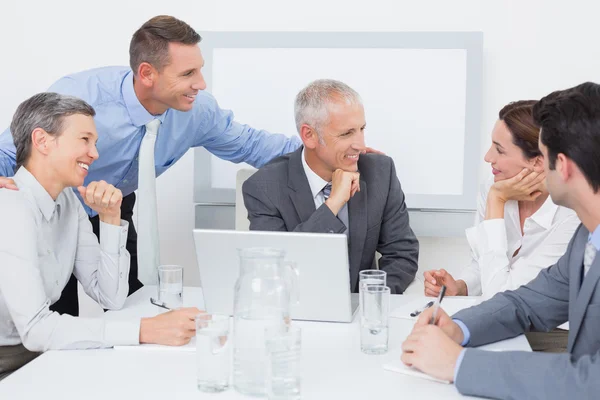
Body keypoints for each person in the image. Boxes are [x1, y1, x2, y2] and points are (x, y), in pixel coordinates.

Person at [0, 15, 306, 317]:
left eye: (200, 70)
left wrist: (325, 150)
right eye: (188, 73)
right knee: (57, 316)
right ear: (147, 73)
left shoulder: (197, 111)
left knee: (133, 304)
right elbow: (10, 149)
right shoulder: (80, 97)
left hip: (113, 206)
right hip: (58, 213)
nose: (200, 83)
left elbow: (253, 145)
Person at [401, 82, 600, 399]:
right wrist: (459, 327)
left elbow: (591, 382)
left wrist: (459, 364)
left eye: (544, 156)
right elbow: (526, 302)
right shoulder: (587, 238)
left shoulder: (576, 228)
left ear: (560, 167)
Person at [0, 93, 202, 380]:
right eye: (84, 140)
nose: (95, 153)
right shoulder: (10, 206)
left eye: (94, 143)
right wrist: (146, 329)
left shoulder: (69, 202)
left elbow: (111, 295)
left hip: (43, 354)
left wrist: (110, 218)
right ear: (42, 141)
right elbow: (36, 330)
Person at [242, 79, 418, 294]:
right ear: (309, 135)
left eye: (361, 129)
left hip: (360, 311)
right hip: (297, 313)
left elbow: (402, 254)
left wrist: (370, 302)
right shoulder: (263, 188)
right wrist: (333, 205)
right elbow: (275, 270)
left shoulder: (380, 172)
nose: (361, 145)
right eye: (347, 133)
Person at [424, 101, 579, 299]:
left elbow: (500, 298)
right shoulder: (493, 186)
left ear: (538, 162)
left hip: (552, 327)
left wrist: (496, 201)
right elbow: (485, 262)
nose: (488, 157)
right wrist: (461, 287)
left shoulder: (571, 215)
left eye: (499, 150)